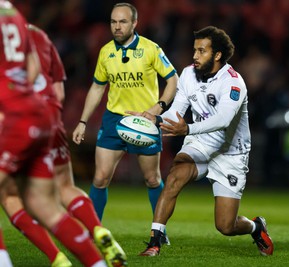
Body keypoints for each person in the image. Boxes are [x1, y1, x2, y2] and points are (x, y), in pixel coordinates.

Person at [136, 26, 274, 257]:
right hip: (200, 142)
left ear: (217, 55)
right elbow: (177, 111)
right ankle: (155, 242)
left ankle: (256, 226)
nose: (195, 56)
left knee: (225, 226)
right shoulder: (188, 74)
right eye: (194, 50)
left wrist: (187, 127)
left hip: (230, 152)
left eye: (202, 51)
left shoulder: (233, 82)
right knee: (174, 177)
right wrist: (154, 119)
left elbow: (223, 119)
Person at [0, 24, 127, 266]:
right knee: (62, 189)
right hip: (48, 121)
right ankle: (97, 231)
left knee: (10, 197)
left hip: (12, 122)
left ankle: (56, 257)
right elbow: (58, 93)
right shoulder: (39, 35)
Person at [72, 3, 178, 245]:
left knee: (152, 179)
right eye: (113, 22)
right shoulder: (105, 52)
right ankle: (93, 231)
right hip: (113, 120)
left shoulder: (151, 49)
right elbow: (98, 87)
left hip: (144, 122)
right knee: (100, 178)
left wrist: (157, 108)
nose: (117, 27)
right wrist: (82, 121)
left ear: (134, 24)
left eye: (122, 22)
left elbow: (173, 80)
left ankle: (159, 231)